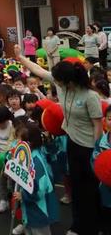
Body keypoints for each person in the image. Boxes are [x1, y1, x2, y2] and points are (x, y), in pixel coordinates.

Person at [14, 45, 103, 235]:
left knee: (89, 189)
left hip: (88, 148)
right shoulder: (64, 88)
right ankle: (78, 225)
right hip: (72, 143)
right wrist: (20, 57)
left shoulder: (90, 96)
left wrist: (96, 151)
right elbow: (38, 70)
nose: (56, 84)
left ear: (70, 80)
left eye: (59, 81)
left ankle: (92, 227)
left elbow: (97, 125)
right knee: (77, 187)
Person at [13, 122, 59, 235]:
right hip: (29, 209)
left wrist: (23, 196)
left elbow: (39, 190)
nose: (16, 143)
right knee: (29, 229)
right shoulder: (26, 157)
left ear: (29, 143)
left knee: (39, 231)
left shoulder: (36, 163)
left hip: (38, 210)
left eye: (19, 140)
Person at [0, 105, 15, 213]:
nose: (0, 125)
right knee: (0, 180)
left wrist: (6, 156)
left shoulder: (12, 127)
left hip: (10, 157)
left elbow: (13, 142)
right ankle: (3, 200)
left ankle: (13, 201)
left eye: (3, 122)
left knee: (12, 181)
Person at [92, 105, 111, 234]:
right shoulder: (101, 141)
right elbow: (94, 159)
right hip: (104, 187)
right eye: (110, 118)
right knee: (106, 213)